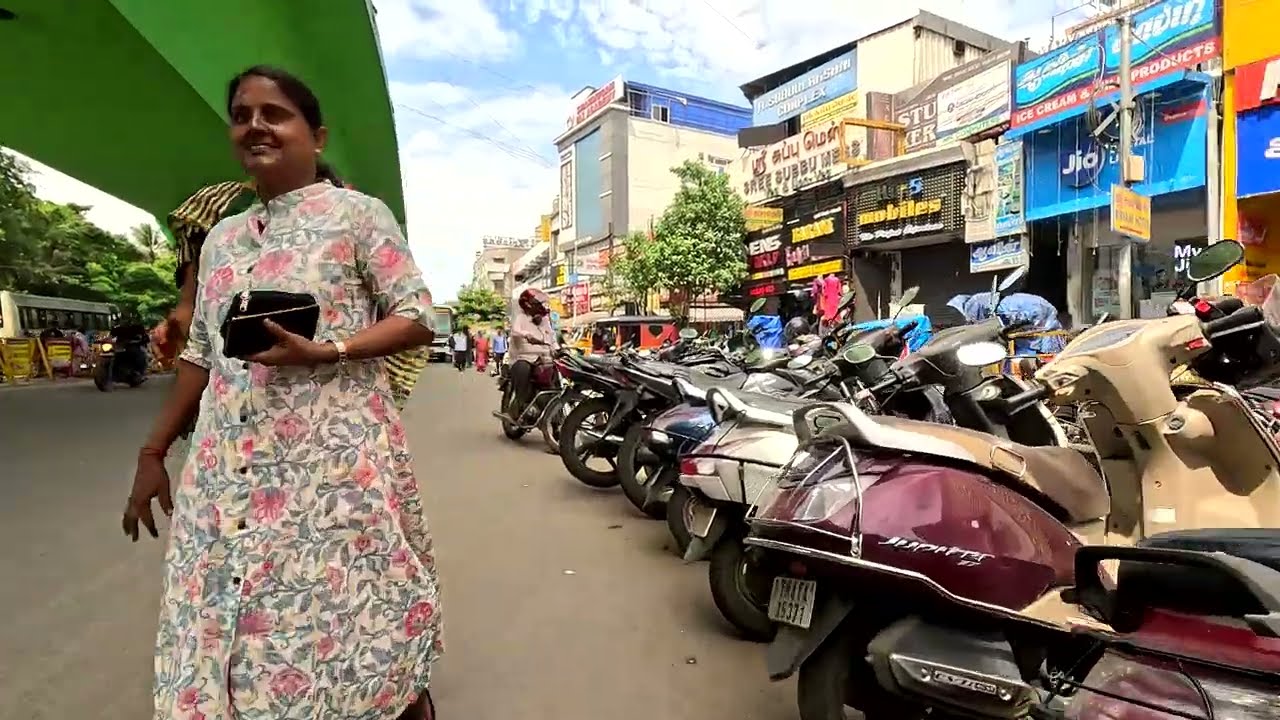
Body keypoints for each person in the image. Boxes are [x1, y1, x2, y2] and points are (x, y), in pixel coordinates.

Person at [124, 65, 441, 720]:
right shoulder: (222, 239)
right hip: (226, 468)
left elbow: (416, 315)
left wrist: (330, 350)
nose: (255, 125)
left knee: (349, 608)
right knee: (227, 615)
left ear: (316, 135)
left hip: (331, 469)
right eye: (242, 115)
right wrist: (153, 450)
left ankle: (398, 701)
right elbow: (201, 353)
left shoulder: (358, 217)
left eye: (275, 113)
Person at [507, 288, 557, 418]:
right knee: (523, 368)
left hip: (544, 359)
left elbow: (552, 337)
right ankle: (521, 403)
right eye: (538, 304)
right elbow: (515, 331)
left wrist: (558, 349)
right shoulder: (521, 318)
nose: (542, 307)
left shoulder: (545, 321)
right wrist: (527, 335)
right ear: (528, 305)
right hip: (523, 358)